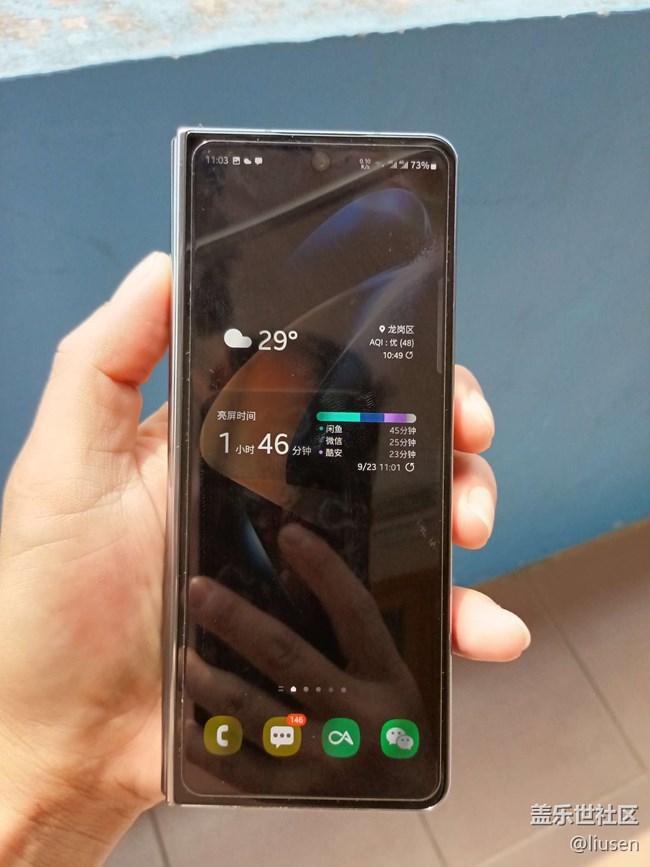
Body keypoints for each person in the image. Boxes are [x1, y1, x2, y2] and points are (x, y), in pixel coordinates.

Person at [0, 252, 530, 866]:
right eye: (270, 446)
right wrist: (55, 772)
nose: (282, 496)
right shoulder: (183, 533)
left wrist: (57, 790)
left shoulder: (346, 559)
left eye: (307, 457)